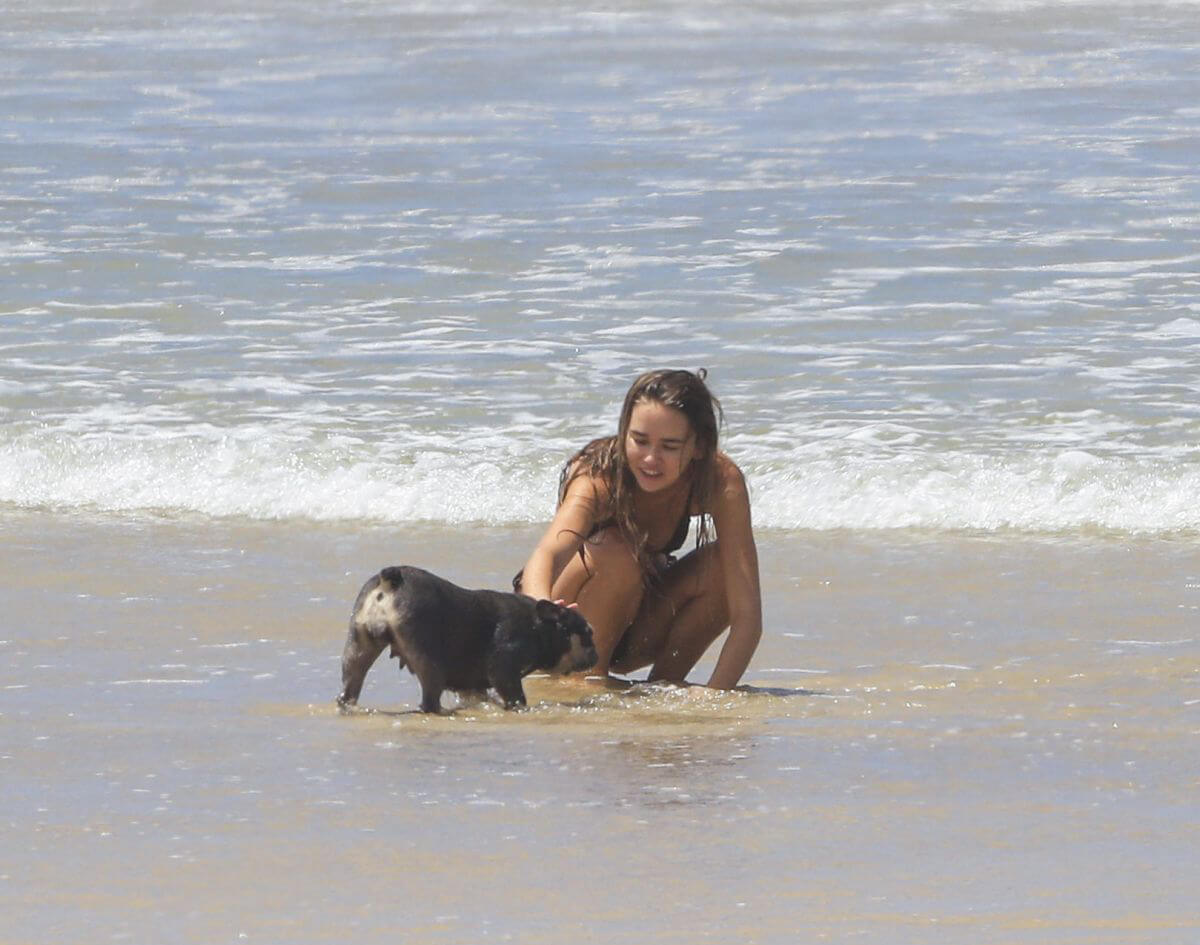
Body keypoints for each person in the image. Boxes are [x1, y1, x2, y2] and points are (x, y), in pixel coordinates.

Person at [515, 369, 762, 689]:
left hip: (636, 628)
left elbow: (748, 615)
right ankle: (586, 681)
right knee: (617, 551)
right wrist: (544, 611)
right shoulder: (598, 475)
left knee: (721, 567)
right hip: (559, 629)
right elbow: (548, 554)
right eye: (639, 440)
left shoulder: (719, 481)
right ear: (623, 432)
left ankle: (664, 687)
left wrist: (715, 694)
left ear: (699, 447)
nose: (650, 459)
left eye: (670, 446)